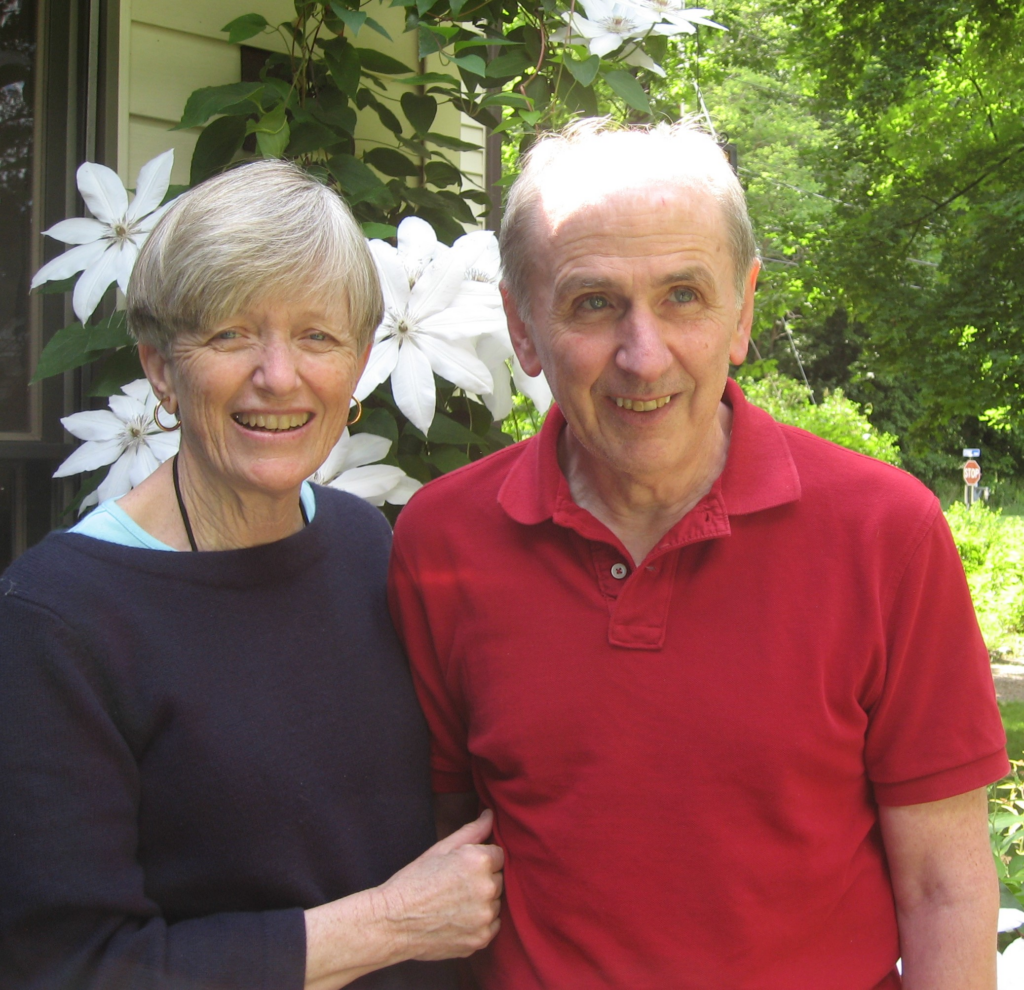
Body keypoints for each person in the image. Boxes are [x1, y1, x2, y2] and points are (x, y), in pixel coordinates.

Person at [387, 120, 1008, 989]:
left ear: (743, 311)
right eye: (593, 303)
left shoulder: (885, 534)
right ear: (522, 329)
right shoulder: (443, 541)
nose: (645, 358)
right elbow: (445, 861)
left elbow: (945, 886)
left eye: (684, 295)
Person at [0, 160, 503, 990]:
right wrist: (389, 925)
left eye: (317, 336)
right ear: (160, 367)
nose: (279, 375)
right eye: (231, 333)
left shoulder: (363, 543)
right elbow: (68, 967)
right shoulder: (59, 623)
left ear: (358, 364)